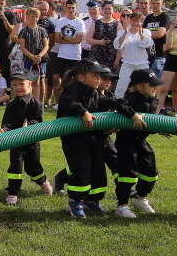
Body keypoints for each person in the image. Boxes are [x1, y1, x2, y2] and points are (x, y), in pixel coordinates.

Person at [57, 59, 144, 218]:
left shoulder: (95, 93)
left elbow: (113, 102)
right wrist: (83, 112)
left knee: (98, 171)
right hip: (74, 140)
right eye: (95, 75)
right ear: (81, 77)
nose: (99, 79)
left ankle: (92, 200)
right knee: (82, 168)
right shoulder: (72, 89)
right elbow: (67, 102)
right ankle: (75, 201)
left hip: (93, 138)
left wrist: (132, 114)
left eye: (100, 76)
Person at [0, 70, 52, 205]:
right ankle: (13, 192)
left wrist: (29, 126)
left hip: (31, 142)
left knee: (33, 167)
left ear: (29, 84)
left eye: (21, 84)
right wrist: (4, 130)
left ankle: (42, 181)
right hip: (15, 141)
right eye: (15, 85)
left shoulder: (37, 104)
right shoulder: (11, 105)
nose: (18, 87)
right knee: (15, 166)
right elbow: (7, 122)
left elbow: (38, 121)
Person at [113, 68, 162, 218]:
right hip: (126, 142)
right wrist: (133, 115)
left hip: (140, 141)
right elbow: (119, 104)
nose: (156, 87)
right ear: (140, 87)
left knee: (150, 171)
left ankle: (140, 199)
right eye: (152, 85)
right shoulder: (132, 98)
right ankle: (121, 207)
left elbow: (148, 123)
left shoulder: (151, 100)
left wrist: (161, 128)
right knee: (128, 174)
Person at [50, 0, 85, 103]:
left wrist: (63, 37)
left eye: (73, 8)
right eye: (69, 8)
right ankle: (58, 102)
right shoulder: (61, 21)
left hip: (75, 55)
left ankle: (74, 100)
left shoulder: (80, 22)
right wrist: (71, 39)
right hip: (62, 54)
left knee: (75, 79)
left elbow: (78, 41)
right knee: (56, 77)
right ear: (66, 8)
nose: (71, 10)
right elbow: (56, 39)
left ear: (76, 8)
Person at [113, 11, 154, 98]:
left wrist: (140, 33)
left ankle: (146, 104)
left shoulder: (146, 32)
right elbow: (118, 45)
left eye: (138, 21)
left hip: (142, 64)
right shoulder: (121, 32)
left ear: (141, 22)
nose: (135, 23)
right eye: (134, 20)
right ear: (130, 20)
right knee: (120, 88)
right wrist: (125, 33)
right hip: (127, 64)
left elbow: (147, 44)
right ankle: (116, 104)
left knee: (146, 87)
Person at [12, 7, 49, 88]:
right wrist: (32, 57)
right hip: (27, 59)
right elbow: (22, 47)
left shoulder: (42, 30)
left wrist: (39, 56)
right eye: (32, 16)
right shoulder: (24, 31)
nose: (34, 18)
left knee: (38, 80)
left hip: (39, 59)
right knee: (28, 80)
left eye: (36, 17)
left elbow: (46, 45)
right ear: (28, 16)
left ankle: (38, 96)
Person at [85, 1, 119, 71]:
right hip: (96, 56)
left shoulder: (117, 24)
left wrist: (117, 59)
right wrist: (99, 42)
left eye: (109, 9)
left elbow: (120, 44)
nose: (107, 11)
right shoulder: (96, 23)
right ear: (102, 10)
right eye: (105, 9)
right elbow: (88, 39)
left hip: (111, 57)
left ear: (113, 10)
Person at [143, 0, 171, 77]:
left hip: (159, 54)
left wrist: (146, 34)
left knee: (157, 79)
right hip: (147, 54)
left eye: (158, 3)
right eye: (154, 3)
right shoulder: (148, 17)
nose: (155, 5)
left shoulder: (164, 17)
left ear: (162, 4)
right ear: (151, 3)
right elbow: (141, 33)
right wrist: (147, 34)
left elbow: (159, 34)